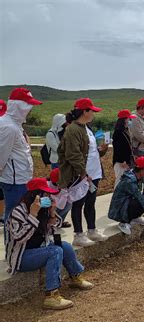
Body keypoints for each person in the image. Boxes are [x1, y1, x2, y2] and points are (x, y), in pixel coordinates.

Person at [5, 178, 93, 310]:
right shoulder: (18, 212)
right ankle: (51, 295)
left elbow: (53, 229)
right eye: (45, 194)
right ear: (34, 195)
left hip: (40, 249)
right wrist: (33, 215)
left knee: (65, 246)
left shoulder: (43, 210)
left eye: (48, 194)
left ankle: (76, 276)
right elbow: (20, 237)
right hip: (21, 256)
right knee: (55, 251)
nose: (48, 197)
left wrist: (52, 214)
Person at [57, 98, 108, 247]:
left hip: (93, 173)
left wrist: (101, 151)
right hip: (81, 175)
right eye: (92, 111)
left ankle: (92, 230)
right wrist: (83, 173)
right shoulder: (73, 129)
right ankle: (78, 235)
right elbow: (73, 154)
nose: (93, 114)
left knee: (91, 203)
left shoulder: (87, 128)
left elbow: (89, 151)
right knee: (78, 204)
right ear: (85, 112)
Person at [0, 88, 42, 227]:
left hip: (20, 178)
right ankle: (11, 245)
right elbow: (1, 156)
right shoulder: (9, 126)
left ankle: (15, 244)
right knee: (13, 215)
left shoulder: (15, 124)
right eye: (28, 105)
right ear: (19, 106)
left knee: (18, 214)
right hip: (14, 181)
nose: (30, 109)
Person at [108, 157, 144, 235]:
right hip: (119, 211)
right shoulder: (130, 181)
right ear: (142, 170)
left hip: (126, 203)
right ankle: (124, 222)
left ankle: (134, 217)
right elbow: (141, 199)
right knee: (141, 200)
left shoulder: (136, 176)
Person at [112, 109, 136, 188]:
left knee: (125, 181)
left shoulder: (126, 130)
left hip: (126, 160)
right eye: (129, 119)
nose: (130, 121)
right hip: (120, 162)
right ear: (124, 120)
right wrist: (122, 161)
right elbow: (118, 148)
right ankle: (116, 197)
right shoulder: (118, 132)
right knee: (120, 180)